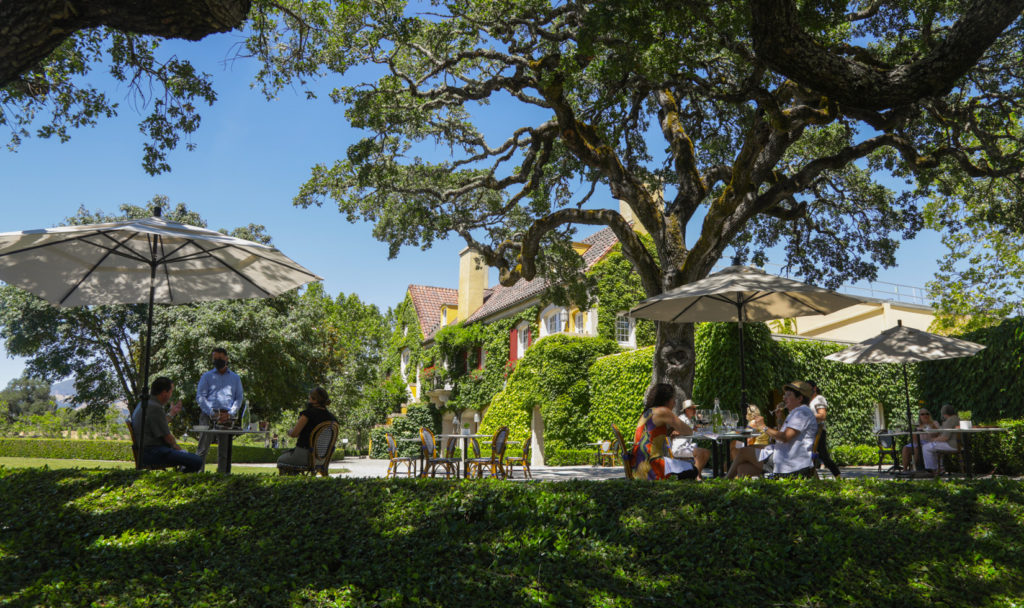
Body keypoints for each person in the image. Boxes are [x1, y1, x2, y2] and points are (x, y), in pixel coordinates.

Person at [729, 381, 818, 479]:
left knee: (743, 452)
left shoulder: (801, 413)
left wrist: (763, 427)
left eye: (788, 395)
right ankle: (745, 492)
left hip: (790, 464)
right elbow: (783, 437)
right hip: (786, 458)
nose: (784, 398)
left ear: (800, 398)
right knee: (743, 468)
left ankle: (725, 481)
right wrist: (779, 419)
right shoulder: (797, 412)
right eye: (784, 395)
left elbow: (785, 437)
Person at [131, 377, 203, 472]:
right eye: (171, 392)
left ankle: (179, 477)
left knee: (188, 458)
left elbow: (159, 422)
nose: (171, 395)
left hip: (145, 452)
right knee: (196, 460)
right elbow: (168, 438)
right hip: (153, 453)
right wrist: (181, 451)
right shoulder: (155, 408)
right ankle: (180, 482)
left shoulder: (144, 404)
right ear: (164, 393)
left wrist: (172, 413)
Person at [631, 383, 698, 481]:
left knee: (687, 468)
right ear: (667, 399)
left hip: (638, 465)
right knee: (693, 470)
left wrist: (670, 430)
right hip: (652, 467)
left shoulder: (648, 412)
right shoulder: (663, 411)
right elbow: (688, 431)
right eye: (673, 399)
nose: (674, 403)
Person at [195, 347, 244, 471]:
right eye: (215, 359)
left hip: (227, 416)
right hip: (208, 415)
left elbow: (239, 398)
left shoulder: (235, 378)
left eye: (220, 358)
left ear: (226, 359)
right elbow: (200, 396)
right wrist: (212, 413)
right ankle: (198, 477)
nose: (217, 361)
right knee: (202, 448)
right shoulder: (206, 376)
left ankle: (223, 477)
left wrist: (231, 413)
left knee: (224, 452)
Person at [277, 387, 338, 474]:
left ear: (314, 400)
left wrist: (289, 431)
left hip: (304, 456)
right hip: (322, 459)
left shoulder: (307, 414)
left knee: (281, 459)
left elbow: (294, 433)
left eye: (309, 397)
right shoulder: (333, 419)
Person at [807, 380, 842, 479]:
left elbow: (822, 416)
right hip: (809, 432)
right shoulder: (807, 401)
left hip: (818, 431)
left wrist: (807, 417)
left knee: (823, 456)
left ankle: (838, 476)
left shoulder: (819, 399)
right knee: (808, 455)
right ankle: (813, 478)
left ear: (814, 388)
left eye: (809, 388)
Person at [671, 399, 711, 480]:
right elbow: (677, 430)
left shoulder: (690, 420)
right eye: (693, 408)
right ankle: (697, 476)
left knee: (707, 452)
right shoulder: (682, 419)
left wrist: (701, 420)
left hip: (687, 447)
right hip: (679, 448)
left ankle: (697, 474)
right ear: (687, 410)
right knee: (700, 453)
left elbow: (695, 428)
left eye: (695, 408)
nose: (695, 410)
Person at [922, 405, 960, 472]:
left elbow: (945, 438)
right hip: (960, 444)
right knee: (934, 446)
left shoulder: (950, 421)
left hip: (952, 445)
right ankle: (940, 467)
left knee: (926, 447)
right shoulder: (957, 418)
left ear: (944, 414)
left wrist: (933, 440)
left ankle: (932, 470)